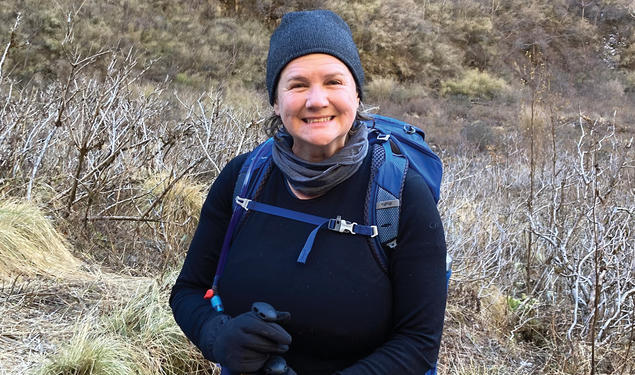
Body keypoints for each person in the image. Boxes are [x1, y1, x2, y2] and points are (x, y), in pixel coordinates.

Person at [170, 9, 447, 375]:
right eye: (298, 84)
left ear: (357, 94)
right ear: (275, 100)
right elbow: (188, 291)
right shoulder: (245, 178)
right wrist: (217, 336)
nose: (316, 100)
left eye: (334, 82)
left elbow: (418, 343)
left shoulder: (398, 195)